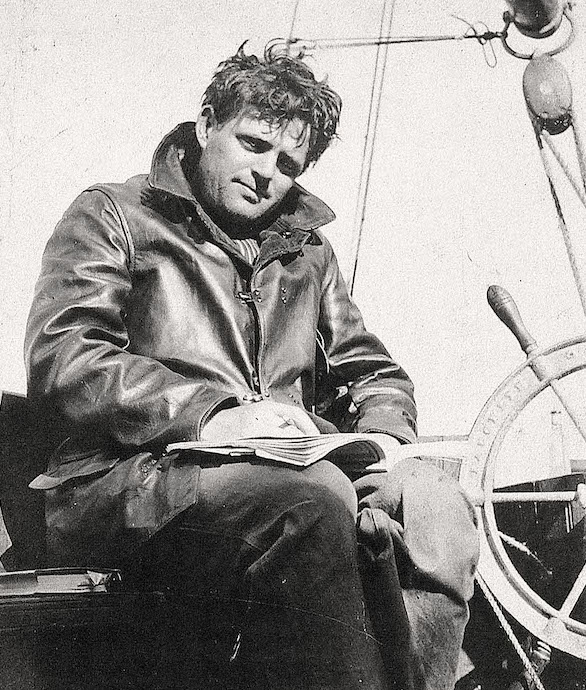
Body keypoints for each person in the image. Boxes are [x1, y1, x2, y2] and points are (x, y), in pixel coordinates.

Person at [25, 41, 478, 690]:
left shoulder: (308, 254)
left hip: (293, 472)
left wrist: (382, 440)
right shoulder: (114, 215)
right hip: (134, 482)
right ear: (207, 124)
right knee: (312, 502)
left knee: (435, 504)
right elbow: (66, 355)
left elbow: (372, 371)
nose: (267, 172)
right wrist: (214, 416)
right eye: (253, 144)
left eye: (288, 162)